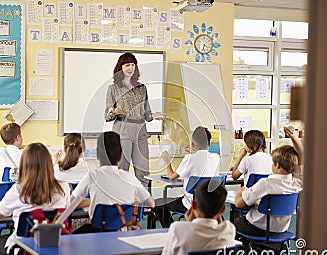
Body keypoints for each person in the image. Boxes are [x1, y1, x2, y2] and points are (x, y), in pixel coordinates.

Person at [0, 143, 70, 255]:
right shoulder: (63, 187)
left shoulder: (19, 190)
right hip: (56, 246)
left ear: (24, 165)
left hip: (24, 249)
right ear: (49, 163)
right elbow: (65, 210)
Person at [71, 131, 155, 233]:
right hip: (124, 234)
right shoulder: (130, 177)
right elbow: (151, 204)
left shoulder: (92, 176)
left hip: (98, 233)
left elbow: (70, 203)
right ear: (120, 157)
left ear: (97, 155)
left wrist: (91, 200)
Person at [105, 52, 165, 188]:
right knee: (122, 168)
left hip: (140, 129)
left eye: (133, 65)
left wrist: (153, 115)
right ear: (120, 67)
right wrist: (113, 111)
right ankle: (120, 204)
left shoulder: (142, 88)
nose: (130, 68)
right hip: (122, 128)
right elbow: (107, 116)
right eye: (127, 65)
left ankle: (145, 207)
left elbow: (147, 113)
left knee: (143, 170)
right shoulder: (113, 88)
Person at [234, 126, 304, 236]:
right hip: (281, 230)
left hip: (257, 227)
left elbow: (239, 204)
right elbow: (302, 156)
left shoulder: (266, 184)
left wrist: (241, 192)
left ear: (277, 164)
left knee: (233, 224)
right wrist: (294, 137)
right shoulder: (298, 183)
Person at [161, 180, 238, 255]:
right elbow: (220, 224)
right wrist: (217, 213)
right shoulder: (229, 229)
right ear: (223, 210)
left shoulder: (177, 229)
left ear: (193, 205)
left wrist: (189, 224)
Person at [154, 126, 220, 228]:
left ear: (192, 143)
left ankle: (171, 229)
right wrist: (194, 153)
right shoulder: (216, 158)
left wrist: (167, 160)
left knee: (157, 204)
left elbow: (172, 177)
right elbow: (202, 159)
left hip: (191, 204)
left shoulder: (189, 159)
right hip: (209, 204)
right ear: (209, 143)